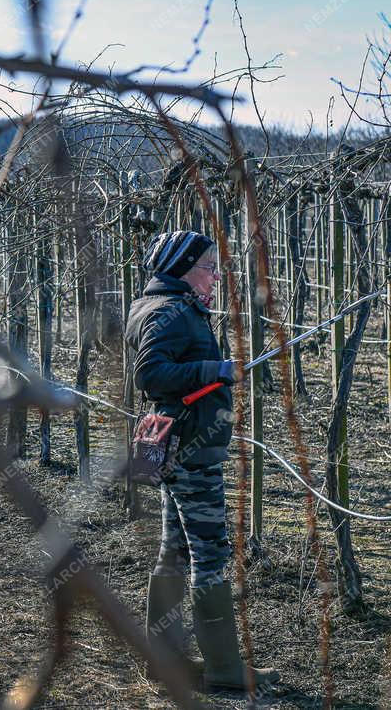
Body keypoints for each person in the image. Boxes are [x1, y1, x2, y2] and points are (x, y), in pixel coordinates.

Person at [124, 229, 279, 692]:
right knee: (210, 554)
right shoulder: (170, 312)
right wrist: (217, 369)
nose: (215, 277)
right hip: (190, 451)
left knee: (174, 549)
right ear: (182, 269)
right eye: (209, 268)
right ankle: (227, 672)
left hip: (178, 446)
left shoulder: (162, 305)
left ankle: (163, 659)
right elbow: (150, 372)